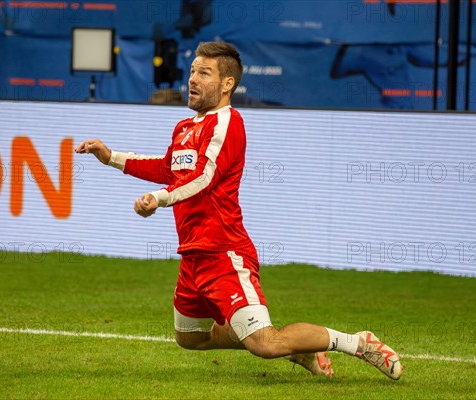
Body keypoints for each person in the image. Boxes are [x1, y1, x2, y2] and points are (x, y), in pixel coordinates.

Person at [75, 41, 403, 379]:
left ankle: (359, 343)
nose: (193, 80)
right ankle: (298, 348)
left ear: (227, 83)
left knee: (264, 344)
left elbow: (204, 177)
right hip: (193, 255)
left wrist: (158, 199)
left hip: (224, 252)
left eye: (204, 73)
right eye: (192, 72)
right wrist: (111, 156)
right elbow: (166, 168)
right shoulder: (185, 127)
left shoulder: (227, 123)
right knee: (189, 338)